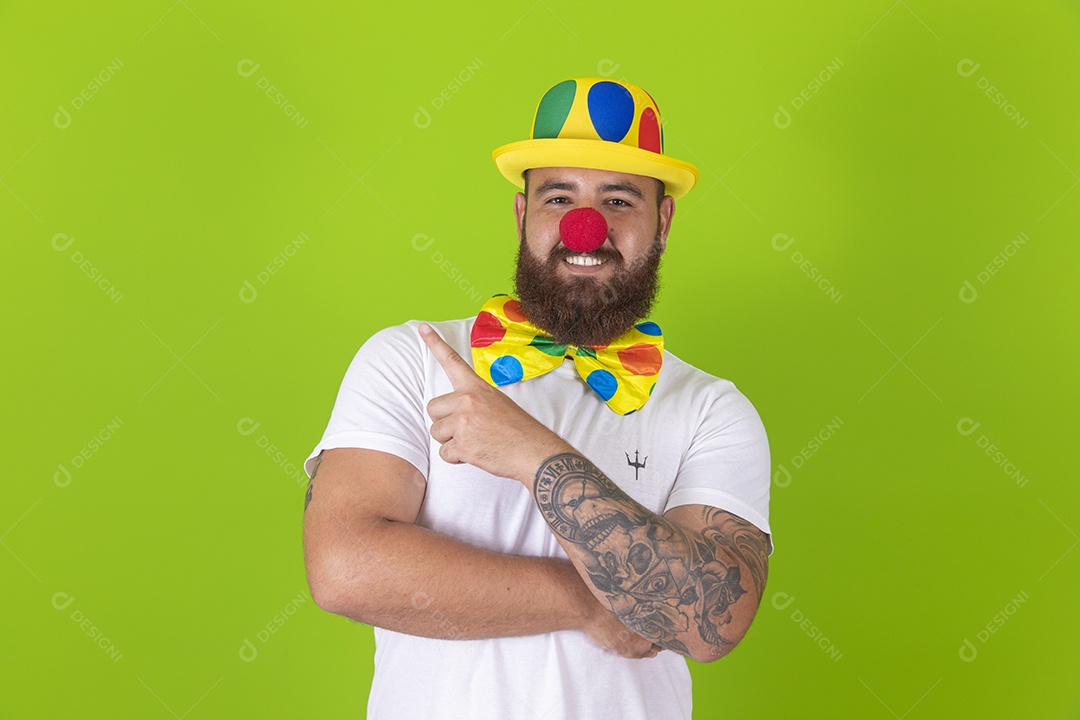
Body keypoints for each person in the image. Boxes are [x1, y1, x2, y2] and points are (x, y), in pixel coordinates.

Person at [302, 77, 773, 720]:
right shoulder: (410, 358)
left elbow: (711, 618)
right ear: (523, 215)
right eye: (559, 196)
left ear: (662, 222)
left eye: (619, 198)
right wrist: (589, 601)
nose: (586, 228)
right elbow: (344, 569)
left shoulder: (712, 410)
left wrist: (532, 454)